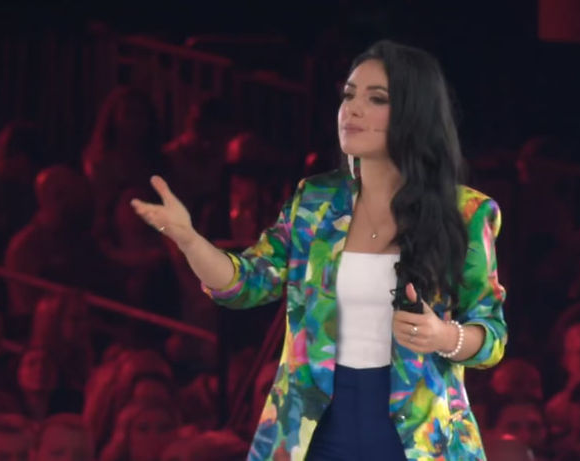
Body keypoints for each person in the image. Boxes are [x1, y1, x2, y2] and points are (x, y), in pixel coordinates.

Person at [130, 39, 507, 461]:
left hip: (417, 431)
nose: (352, 109)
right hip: (315, 425)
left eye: (375, 99)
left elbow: (491, 336)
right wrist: (189, 239)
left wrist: (444, 336)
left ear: (414, 113)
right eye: (348, 95)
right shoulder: (316, 201)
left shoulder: (467, 213)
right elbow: (245, 284)